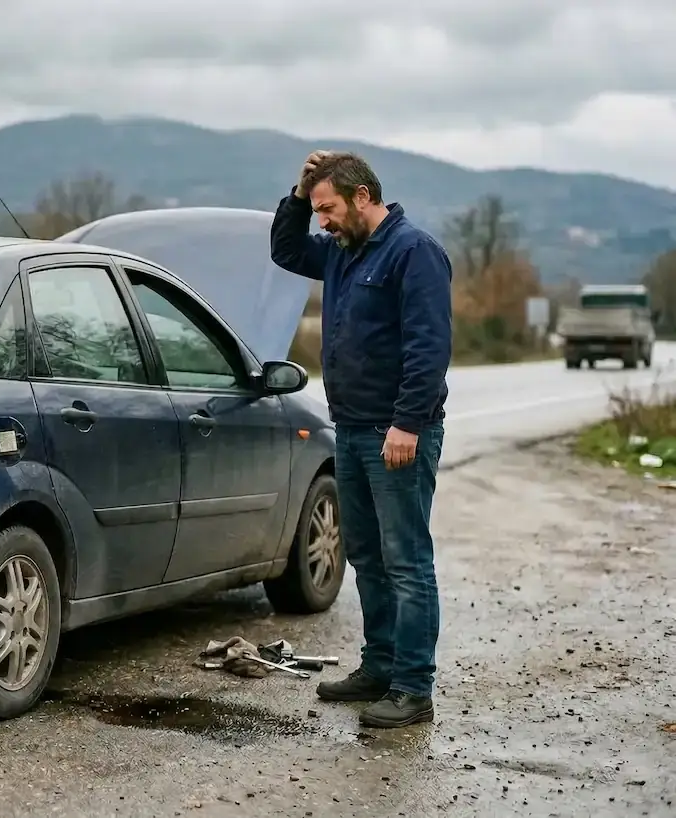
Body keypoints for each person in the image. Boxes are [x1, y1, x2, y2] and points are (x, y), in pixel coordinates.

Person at [269, 150, 452, 729]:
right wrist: (299, 195)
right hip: (349, 429)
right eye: (317, 210)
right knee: (367, 557)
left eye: (328, 208)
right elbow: (285, 250)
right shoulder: (342, 252)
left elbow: (429, 346)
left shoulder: (413, 251)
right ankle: (379, 667)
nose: (322, 220)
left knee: (406, 561)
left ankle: (413, 688)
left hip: (394, 433)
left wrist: (408, 423)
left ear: (363, 197)